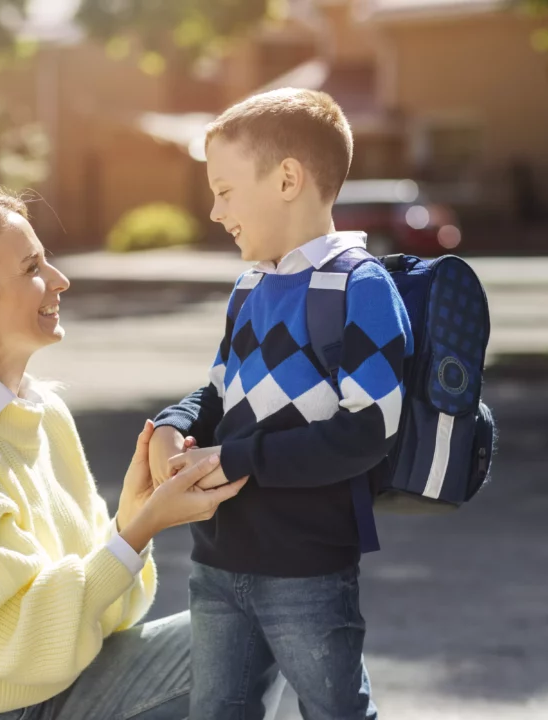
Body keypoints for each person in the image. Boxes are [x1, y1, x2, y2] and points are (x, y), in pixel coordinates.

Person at [0, 189, 247, 720]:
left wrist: (131, 522)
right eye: (32, 268)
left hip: (50, 692)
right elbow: (12, 640)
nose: (60, 280)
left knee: (267, 631)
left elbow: (107, 619)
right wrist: (135, 535)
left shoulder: (43, 413)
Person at [149, 89, 414, 720]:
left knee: (334, 711)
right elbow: (218, 392)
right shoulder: (249, 288)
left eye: (226, 190)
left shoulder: (360, 286)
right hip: (217, 562)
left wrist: (236, 458)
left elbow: (368, 431)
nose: (214, 211)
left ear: (288, 178)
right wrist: (173, 422)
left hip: (307, 569)